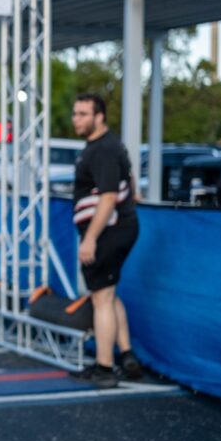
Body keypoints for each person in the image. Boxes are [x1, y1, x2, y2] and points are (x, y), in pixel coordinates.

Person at [70, 93, 143, 389]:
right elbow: (128, 182)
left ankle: (104, 368)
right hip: (116, 229)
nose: (77, 119)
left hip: (110, 232)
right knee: (108, 294)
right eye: (75, 113)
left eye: (83, 114)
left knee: (101, 297)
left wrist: (90, 239)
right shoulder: (106, 146)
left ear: (99, 117)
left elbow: (110, 197)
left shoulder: (104, 149)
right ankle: (126, 357)